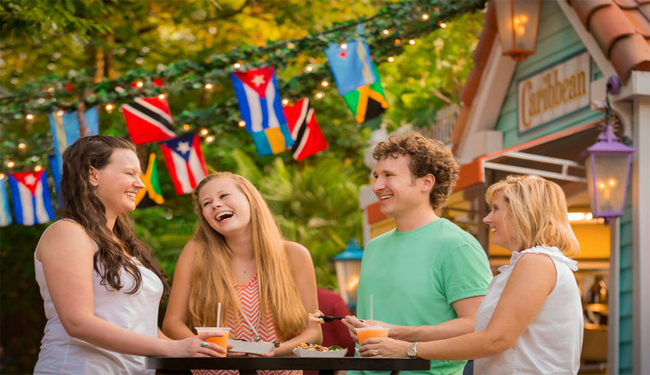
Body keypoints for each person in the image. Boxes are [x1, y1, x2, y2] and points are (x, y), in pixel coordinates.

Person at [34, 135, 223, 375]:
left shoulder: (123, 244)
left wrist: (196, 347)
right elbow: (78, 322)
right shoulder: (68, 233)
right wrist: (172, 349)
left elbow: (137, 324)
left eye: (139, 174)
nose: (140, 183)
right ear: (93, 175)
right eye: (129, 173)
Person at [358, 174, 584, 375]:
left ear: (522, 213)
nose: (487, 219)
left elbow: (495, 340)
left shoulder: (536, 262)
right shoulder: (536, 262)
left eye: (495, 209)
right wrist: (397, 332)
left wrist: (409, 349)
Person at [342, 132, 493, 375]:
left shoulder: (457, 245)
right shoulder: (374, 247)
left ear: (426, 182)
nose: (377, 186)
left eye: (389, 175)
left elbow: (478, 325)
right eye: (377, 176)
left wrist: (396, 333)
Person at [162, 172, 322, 372]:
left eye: (224, 196)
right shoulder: (195, 252)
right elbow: (172, 323)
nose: (215, 205)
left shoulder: (295, 254)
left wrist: (273, 350)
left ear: (250, 199)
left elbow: (314, 332)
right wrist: (208, 346)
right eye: (206, 203)